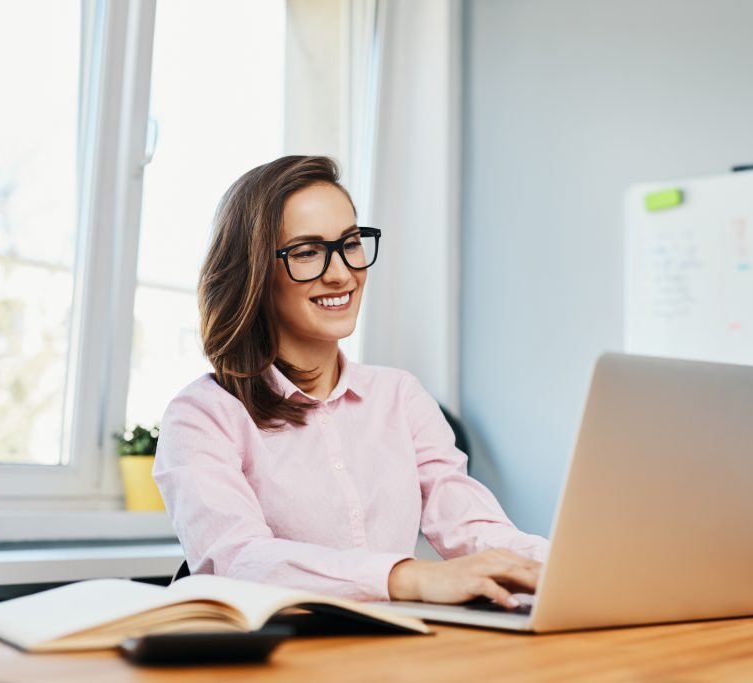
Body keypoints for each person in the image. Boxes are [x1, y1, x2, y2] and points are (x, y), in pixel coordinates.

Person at [154, 156, 548, 609]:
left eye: (350, 243)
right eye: (306, 252)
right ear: (255, 271)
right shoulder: (201, 416)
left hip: (395, 643)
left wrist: (563, 568)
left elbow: (471, 524)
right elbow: (238, 559)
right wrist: (407, 577)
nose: (341, 273)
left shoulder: (400, 396)